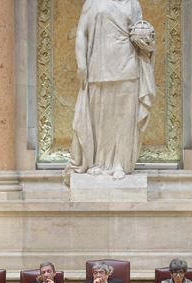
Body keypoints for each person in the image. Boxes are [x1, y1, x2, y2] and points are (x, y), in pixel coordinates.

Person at [65, 0, 157, 181]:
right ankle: (99, 163)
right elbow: (81, 33)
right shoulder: (92, 3)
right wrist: (81, 64)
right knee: (101, 118)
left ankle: (120, 164)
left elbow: (140, 31)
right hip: (99, 66)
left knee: (124, 119)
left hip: (128, 66)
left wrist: (147, 40)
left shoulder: (133, 4)